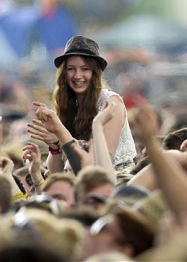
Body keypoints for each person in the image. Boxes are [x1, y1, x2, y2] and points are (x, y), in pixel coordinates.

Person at [29, 36, 136, 171]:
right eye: (71, 69)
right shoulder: (66, 105)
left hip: (118, 181)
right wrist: (54, 147)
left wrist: (59, 135)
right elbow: (56, 172)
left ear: (95, 72)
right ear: (63, 73)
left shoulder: (109, 101)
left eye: (85, 69)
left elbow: (101, 165)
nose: (77, 76)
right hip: (79, 184)